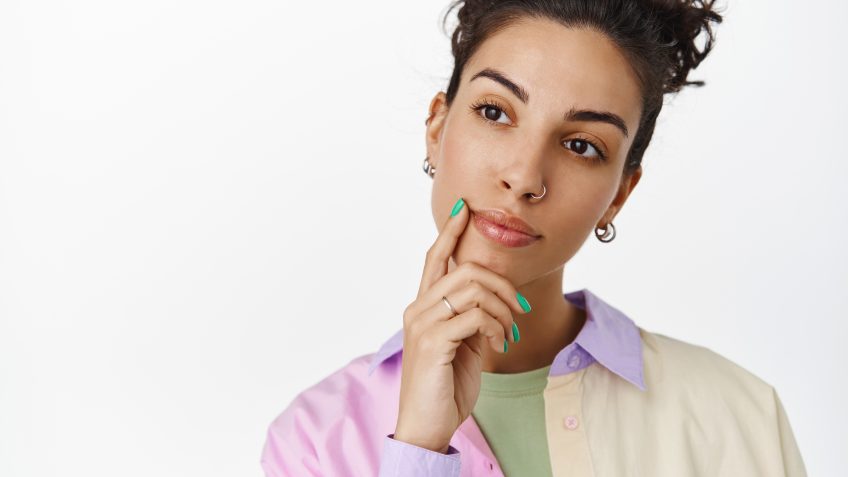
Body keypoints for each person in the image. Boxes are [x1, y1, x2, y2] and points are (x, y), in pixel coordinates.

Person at [260, 0, 807, 475]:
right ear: (436, 128)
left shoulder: (736, 417)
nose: (524, 178)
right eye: (495, 112)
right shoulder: (313, 440)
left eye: (581, 146)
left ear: (619, 194)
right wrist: (418, 449)